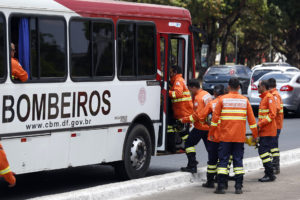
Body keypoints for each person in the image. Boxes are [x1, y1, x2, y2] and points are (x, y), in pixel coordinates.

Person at [211, 77, 258, 194]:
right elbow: (252, 121)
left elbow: (214, 119)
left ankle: (221, 186)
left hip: (225, 137)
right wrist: (255, 135)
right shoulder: (244, 100)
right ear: (239, 87)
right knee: (238, 161)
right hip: (239, 137)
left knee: (223, 161)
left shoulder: (222, 100)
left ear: (228, 86)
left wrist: (212, 133)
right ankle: (238, 187)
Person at [179, 79, 212, 173]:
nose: (190, 92)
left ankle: (192, 165)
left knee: (188, 144)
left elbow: (197, 115)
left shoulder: (198, 98)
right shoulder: (206, 94)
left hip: (201, 127)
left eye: (190, 89)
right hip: (209, 127)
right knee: (210, 149)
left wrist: (184, 120)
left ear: (193, 87)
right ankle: (216, 171)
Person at [198, 84, 225, 188]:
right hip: (226, 136)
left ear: (214, 93)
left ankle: (210, 181)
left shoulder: (212, 103)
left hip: (214, 136)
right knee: (223, 159)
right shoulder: (227, 103)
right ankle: (221, 179)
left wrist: (207, 122)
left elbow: (201, 116)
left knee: (212, 160)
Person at [168, 65, 193, 147]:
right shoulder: (177, 80)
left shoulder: (178, 81)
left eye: (171, 72)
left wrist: (167, 92)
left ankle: (189, 148)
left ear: (175, 72)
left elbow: (177, 94)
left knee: (184, 133)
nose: (169, 74)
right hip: (182, 110)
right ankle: (185, 147)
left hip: (183, 111)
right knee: (181, 130)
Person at [257, 80, 277, 182]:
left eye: (258, 86)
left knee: (263, 152)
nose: (257, 88)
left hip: (268, 131)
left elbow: (272, 114)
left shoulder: (269, 98)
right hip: (264, 130)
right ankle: (269, 173)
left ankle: (270, 174)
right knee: (264, 152)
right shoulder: (264, 98)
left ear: (263, 87)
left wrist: (260, 124)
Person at [268, 78, 283, 174]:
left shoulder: (274, 95)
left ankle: (275, 166)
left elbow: (276, 109)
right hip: (276, 125)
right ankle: (274, 166)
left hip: (275, 125)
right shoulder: (274, 95)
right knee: (273, 146)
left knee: (273, 146)